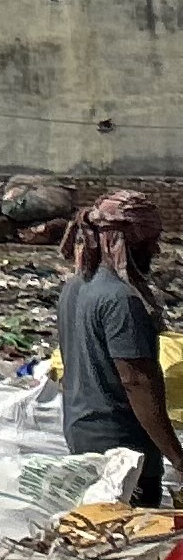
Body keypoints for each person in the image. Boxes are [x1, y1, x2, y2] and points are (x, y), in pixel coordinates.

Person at [58, 191, 183, 507]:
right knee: (130, 532)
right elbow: (136, 382)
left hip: (81, 435)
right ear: (127, 242)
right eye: (149, 243)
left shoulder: (75, 287)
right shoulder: (122, 300)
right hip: (124, 450)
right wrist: (177, 457)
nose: (155, 250)